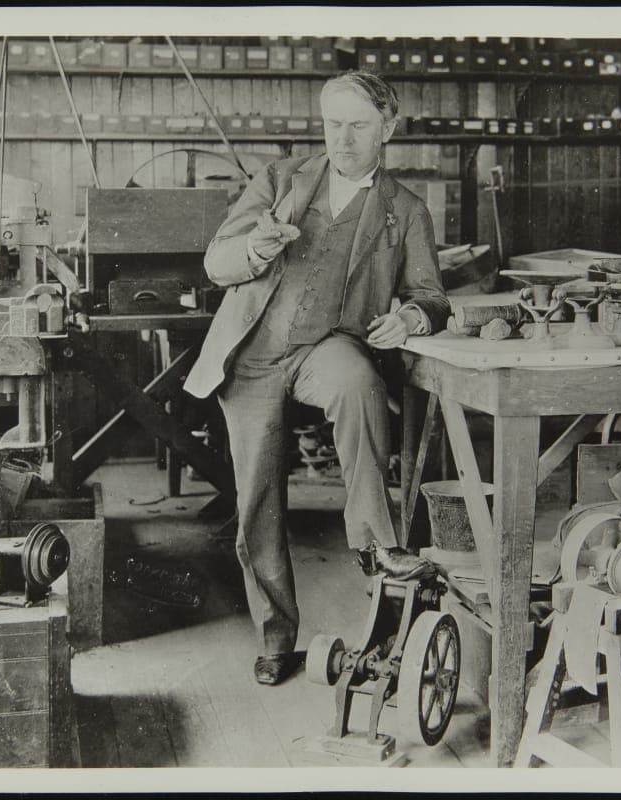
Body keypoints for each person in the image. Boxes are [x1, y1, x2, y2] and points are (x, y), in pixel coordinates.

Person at [183, 70, 451, 685]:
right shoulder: (281, 180)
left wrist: (410, 315)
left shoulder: (405, 211)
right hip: (252, 353)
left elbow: (431, 295)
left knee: (358, 383)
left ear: (388, 128)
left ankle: (375, 541)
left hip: (323, 349)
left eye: (359, 126)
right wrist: (255, 248)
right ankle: (276, 640)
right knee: (257, 502)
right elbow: (216, 260)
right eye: (334, 125)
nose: (344, 140)